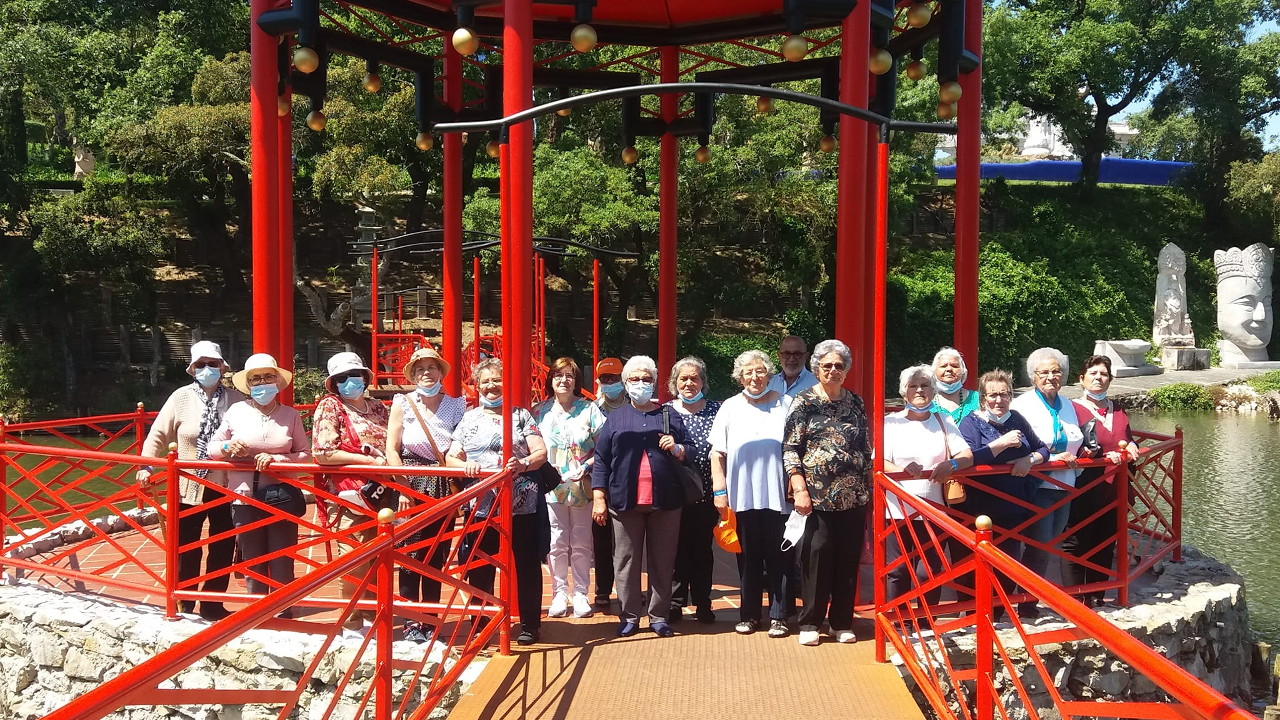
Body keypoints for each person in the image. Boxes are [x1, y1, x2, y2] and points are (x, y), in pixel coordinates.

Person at [138, 340, 245, 620]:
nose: (207, 369)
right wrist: (146, 466)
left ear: (222, 367)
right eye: (201, 364)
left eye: (213, 364)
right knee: (186, 547)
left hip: (225, 484)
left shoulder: (236, 400)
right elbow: (158, 435)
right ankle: (184, 600)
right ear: (192, 368)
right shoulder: (180, 398)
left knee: (222, 545)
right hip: (187, 485)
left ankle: (212, 603)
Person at [446, 358, 548, 645]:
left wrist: (523, 463)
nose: (491, 386)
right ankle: (480, 624)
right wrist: (462, 466)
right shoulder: (469, 418)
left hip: (521, 503)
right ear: (478, 386)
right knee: (480, 563)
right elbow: (452, 455)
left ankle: (529, 623)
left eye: (497, 380)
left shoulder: (521, 416)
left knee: (526, 563)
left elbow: (540, 453)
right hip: (481, 504)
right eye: (485, 382)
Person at [591, 355, 690, 638]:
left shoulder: (669, 415)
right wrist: (599, 497)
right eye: (634, 379)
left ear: (655, 382)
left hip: (666, 501)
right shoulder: (616, 417)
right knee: (626, 560)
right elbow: (602, 459)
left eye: (646, 378)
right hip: (625, 501)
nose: (641, 384)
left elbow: (691, 450)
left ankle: (659, 616)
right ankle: (630, 616)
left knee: (662, 561)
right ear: (625, 383)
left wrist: (678, 448)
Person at [782, 339, 871, 646]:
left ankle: (842, 621)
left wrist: (869, 489)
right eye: (827, 365)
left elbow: (865, 447)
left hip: (853, 495)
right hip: (816, 496)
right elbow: (791, 447)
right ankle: (810, 622)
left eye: (839, 366)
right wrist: (799, 488)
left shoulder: (855, 403)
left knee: (847, 560)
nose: (833, 370)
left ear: (846, 370)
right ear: (817, 368)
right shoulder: (804, 402)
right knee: (816, 557)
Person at [208, 353, 310, 606]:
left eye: (267, 376)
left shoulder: (290, 415)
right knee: (252, 557)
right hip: (244, 495)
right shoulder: (236, 411)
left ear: (277, 381)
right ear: (248, 384)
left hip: (282, 495)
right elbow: (212, 449)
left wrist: (279, 461)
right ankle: (258, 609)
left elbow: (305, 454)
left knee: (282, 557)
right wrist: (230, 446)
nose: (262, 382)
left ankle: (283, 607)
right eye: (255, 379)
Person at [710, 350, 793, 638]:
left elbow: (796, 449)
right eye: (748, 372)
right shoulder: (730, 407)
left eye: (760, 371)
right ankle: (749, 615)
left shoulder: (786, 404)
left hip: (778, 496)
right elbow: (717, 454)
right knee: (748, 558)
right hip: (741, 496)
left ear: (769, 374)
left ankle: (779, 615)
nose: (754, 377)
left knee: (780, 558)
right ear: (739, 377)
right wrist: (719, 491)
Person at [385, 347, 467, 642]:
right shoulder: (402, 402)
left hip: (443, 481)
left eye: (431, 368)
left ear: (440, 372)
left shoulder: (457, 405)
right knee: (409, 553)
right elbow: (391, 448)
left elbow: (463, 443)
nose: (426, 373)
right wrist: (402, 485)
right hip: (410, 481)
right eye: (420, 369)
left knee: (436, 555)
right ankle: (410, 621)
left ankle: (431, 620)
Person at [956, 369, 1051, 611]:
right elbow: (970, 458)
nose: (999, 400)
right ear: (983, 398)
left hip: (1014, 506)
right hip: (980, 508)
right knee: (978, 564)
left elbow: (1043, 449)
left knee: (1008, 564)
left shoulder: (1017, 418)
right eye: (993, 395)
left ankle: (999, 614)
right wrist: (1001, 444)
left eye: (1004, 394)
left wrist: (1029, 460)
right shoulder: (970, 422)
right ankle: (976, 615)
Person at [310, 351, 390, 633]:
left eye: (353, 375)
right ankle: (352, 621)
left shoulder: (378, 408)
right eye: (341, 378)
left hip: (382, 492)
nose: (348, 382)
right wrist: (368, 461)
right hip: (348, 494)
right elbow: (323, 452)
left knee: (380, 556)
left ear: (365, 377)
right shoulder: (330, 407)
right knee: (353, 556)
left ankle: (374, 615)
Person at [881, 364, 974, 605]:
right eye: (913, 386)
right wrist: (901, 471)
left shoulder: (943, 420)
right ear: (904, 391)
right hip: (897, 509)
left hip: (934, 508)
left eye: (925, 385)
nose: (920, 390)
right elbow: (877, 460)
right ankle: (900, 622)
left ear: (933, 391)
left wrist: (952, 465)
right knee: (898, 570)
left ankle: (925, 622)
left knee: (928, 571)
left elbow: (966, 454)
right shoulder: (890, 422)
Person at [1009, 347, 1085, 618]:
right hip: (1037, 484)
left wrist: (1082, 453)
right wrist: (1053, 457)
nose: (1051, 377)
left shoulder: (1067, 404)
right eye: (1044, 372)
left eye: (1056, 371)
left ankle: (1031, 597)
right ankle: (1026, 603)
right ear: (1033, 376)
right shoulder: (1022, 405)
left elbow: (1076, 438)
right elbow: (1020, 446)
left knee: (1050, 544)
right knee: (1038, 545)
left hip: (1066, 485)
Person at [534, 357, 606, 621]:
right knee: (556, 541)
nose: (563, 380)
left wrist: (587, 465)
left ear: (576, 381)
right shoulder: (539, 411)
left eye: (569, 376)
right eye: (558, 375)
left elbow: (605, 446)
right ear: (550, 379)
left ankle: (581, 593)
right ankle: (559, 593)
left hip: (581, 484)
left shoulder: (589, 410)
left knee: (581, 540)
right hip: (550, 485)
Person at [1066, 354, 1141, 607]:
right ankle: (1075, 598)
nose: (1099, 378)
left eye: (1104, 374)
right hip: (1084, 485)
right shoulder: (1073, 409)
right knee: (1077, 542)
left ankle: (1097, 594)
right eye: (1093, 374)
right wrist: (1097, 455)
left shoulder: (1117, 409)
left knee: (1105, 541)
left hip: (1113, 489)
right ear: (1082, 378)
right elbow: (1069, 444)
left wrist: (1131, 446)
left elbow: (1126, 436)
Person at [665, 355, 722, 624]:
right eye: (683, 378)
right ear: (674, 383)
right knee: (675, 550)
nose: (689, 383)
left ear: (703, 382)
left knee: (702, 550)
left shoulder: (717, 410)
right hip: (674, 494)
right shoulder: (665, 412)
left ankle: (703, 603)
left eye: (695, 378)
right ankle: (675, 603)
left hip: (707, 493)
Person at [590, 356, 625, 609]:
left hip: (627, 481)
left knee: (628, 539)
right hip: (599, 479)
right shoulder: (592, 409)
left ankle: (628, 589)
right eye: (605, 379)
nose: (610, 382)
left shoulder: (636, 405)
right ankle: (603, 588)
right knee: (600, 537)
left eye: (615, 378)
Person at [933, 347, 980, 424]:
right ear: (934, 371)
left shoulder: (977, 399)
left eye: (954, 366)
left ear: (963, 371)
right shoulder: (926, 400)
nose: (949, 369)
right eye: (943, 366)